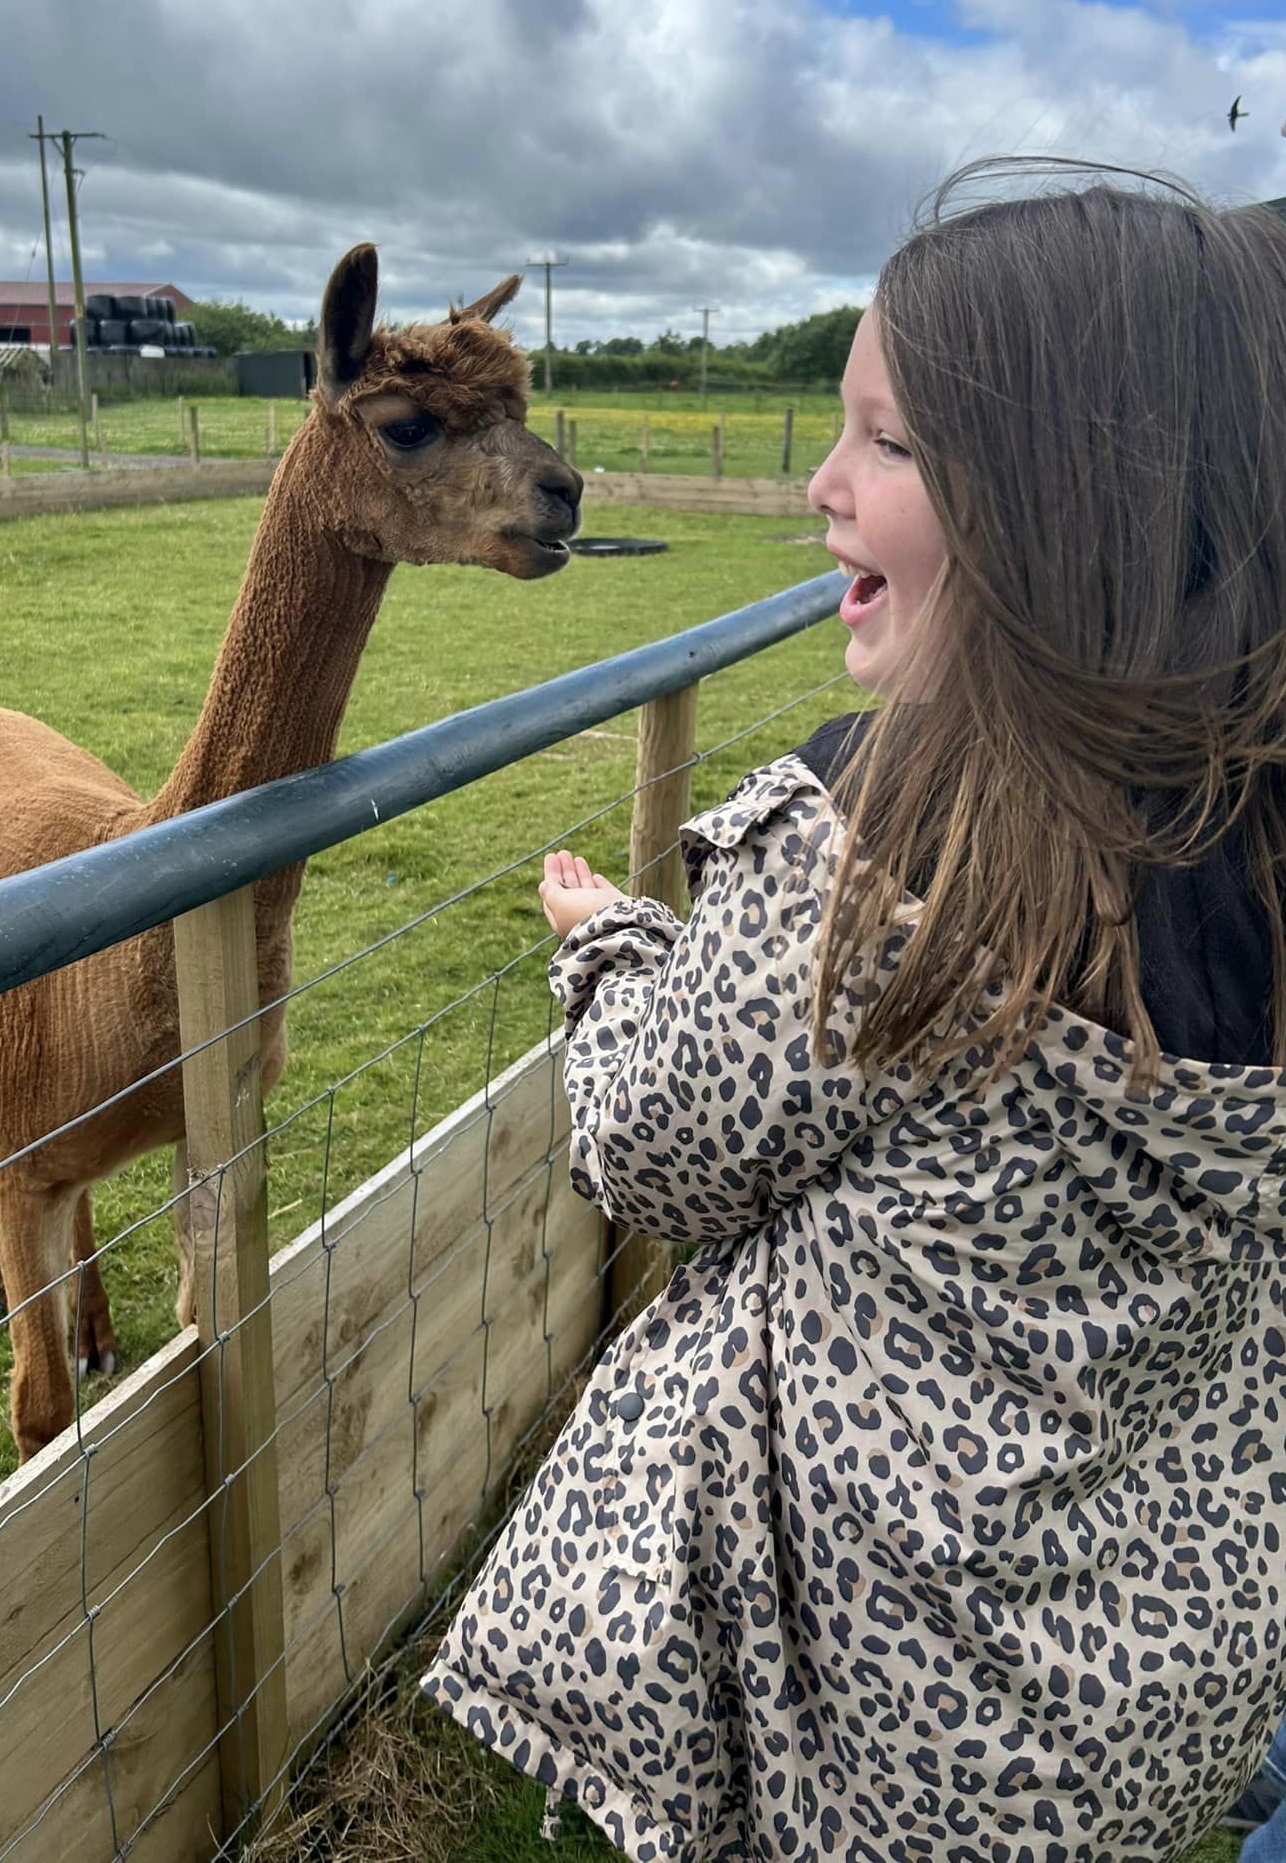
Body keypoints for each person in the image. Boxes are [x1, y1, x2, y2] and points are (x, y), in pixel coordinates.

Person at [422, 160, 1286, 1862]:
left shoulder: (899, 846)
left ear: (1065, 497)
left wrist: (610, 950)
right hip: (1157, 1663)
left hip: (884, 1718)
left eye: (887, 444)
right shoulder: (1252, 831)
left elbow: (653, 1144)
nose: (821, 485)